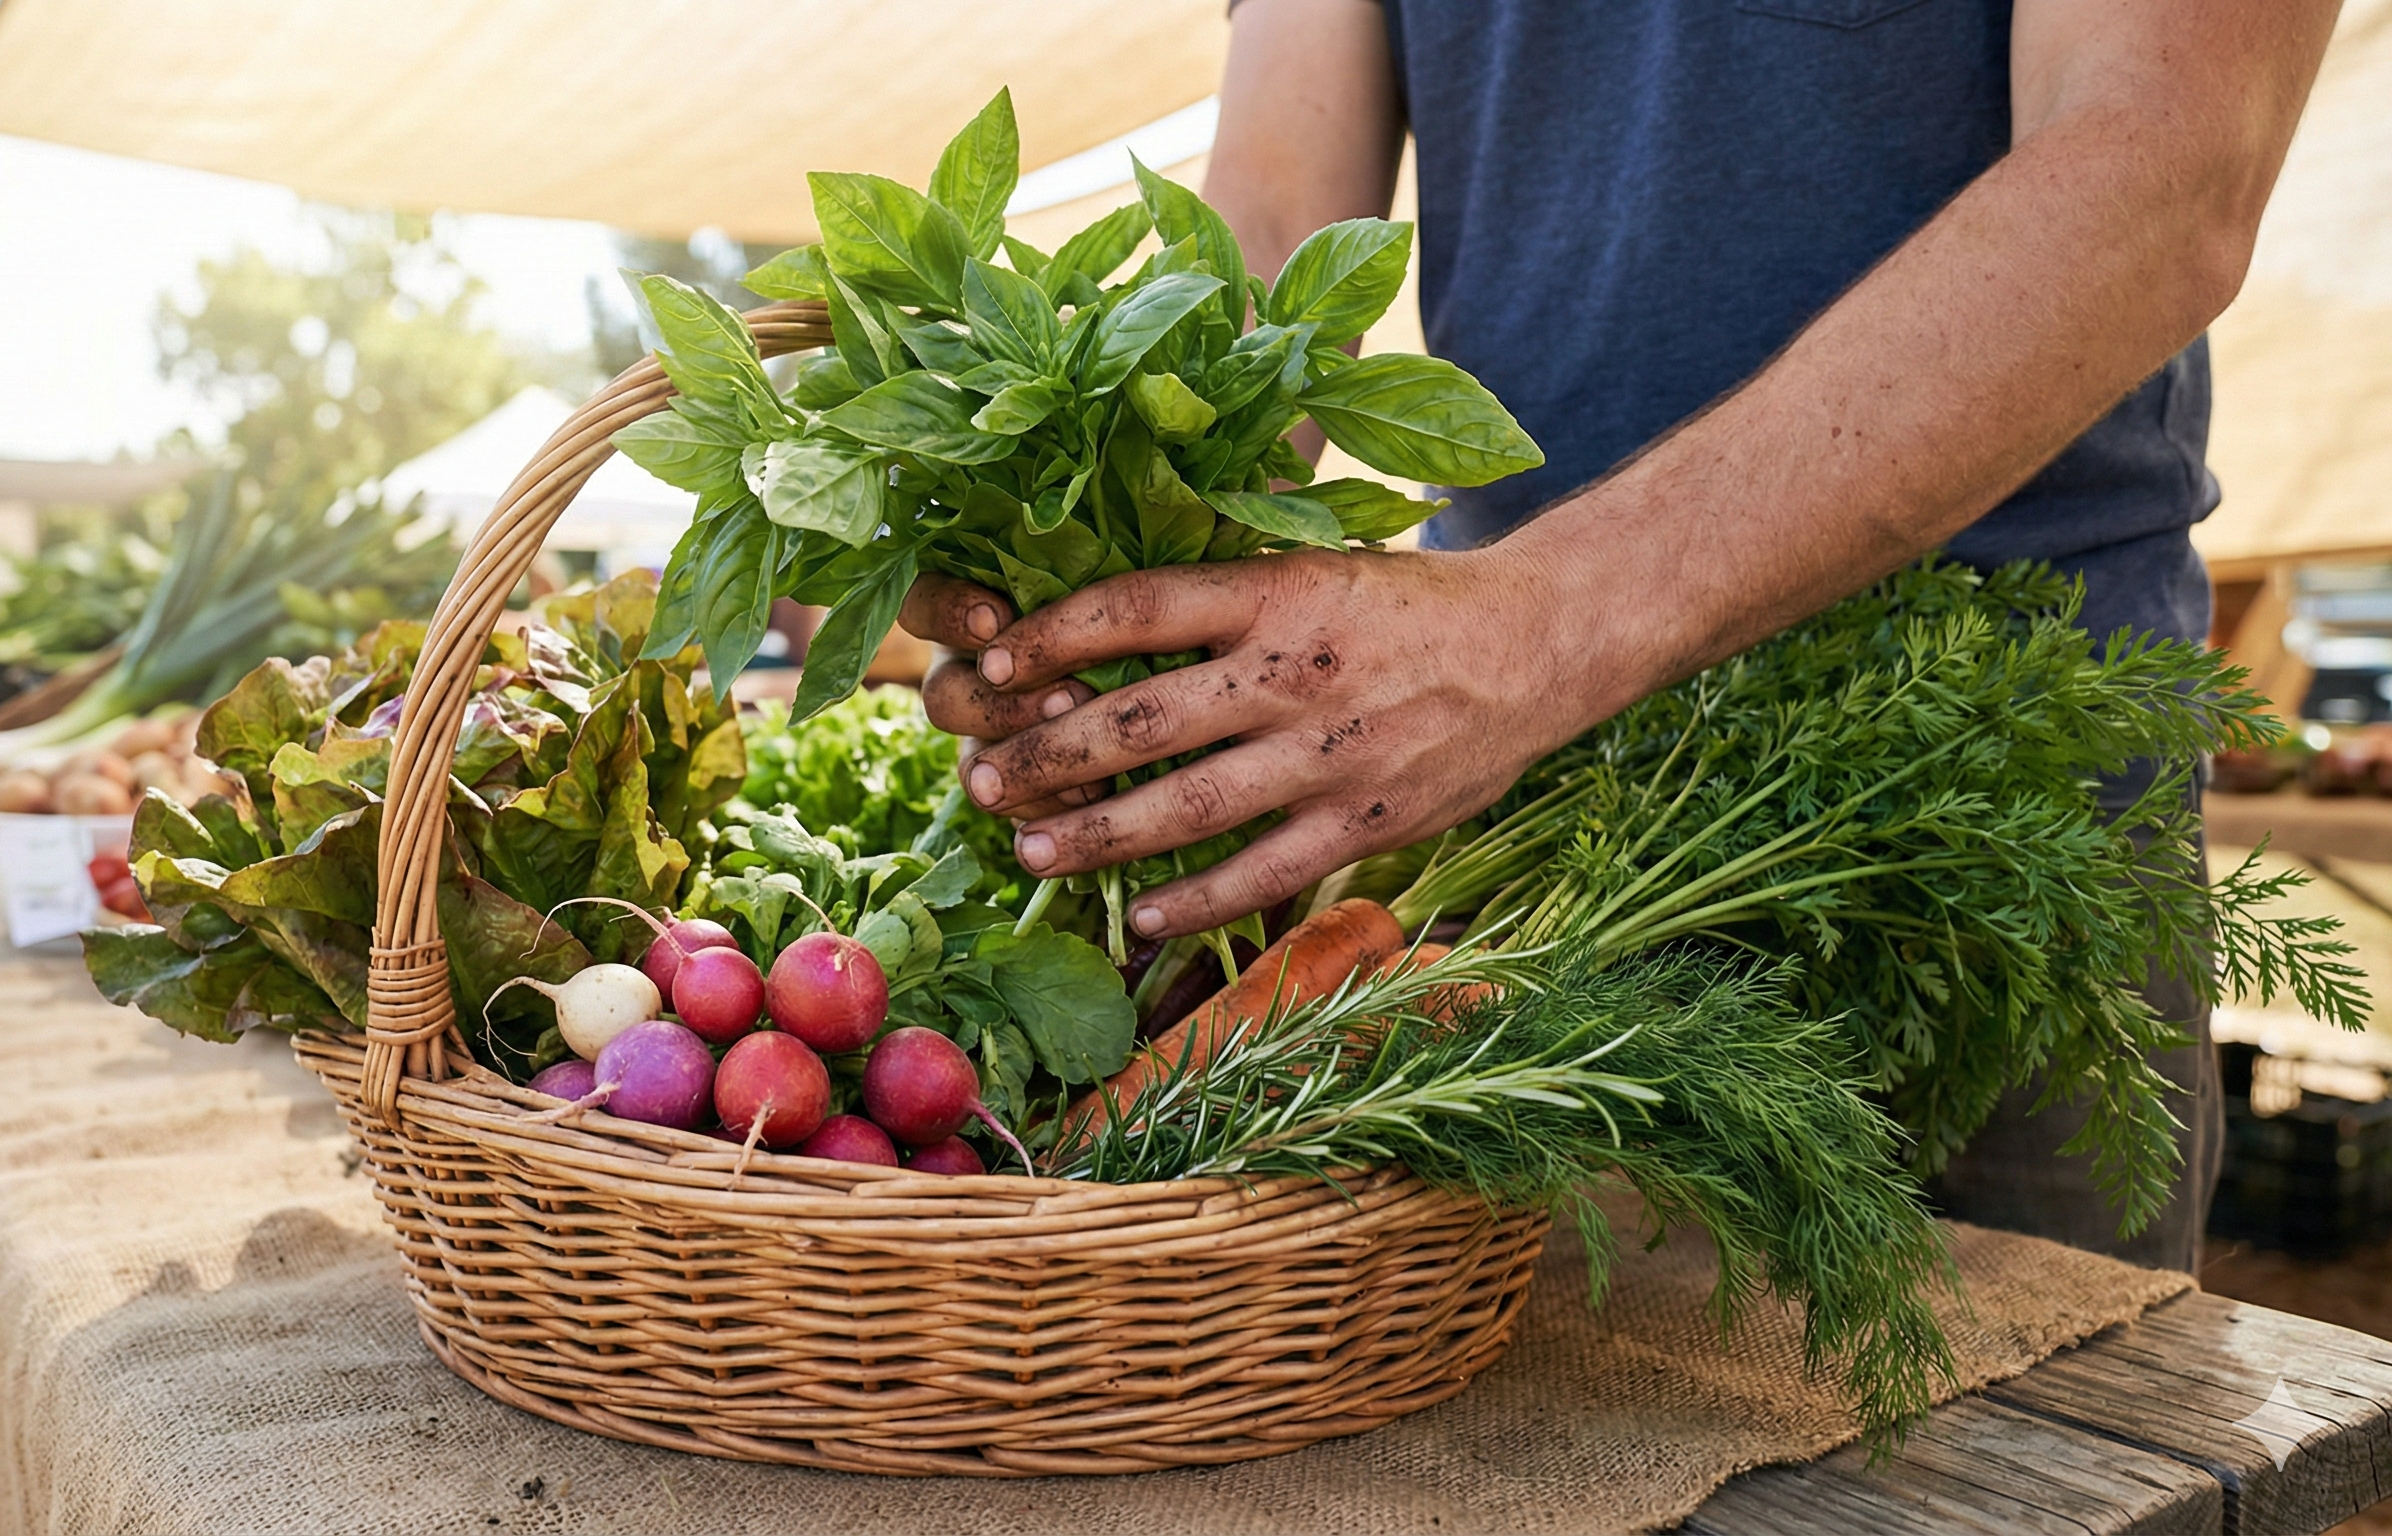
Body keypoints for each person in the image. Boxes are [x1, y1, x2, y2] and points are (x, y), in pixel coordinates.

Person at [901, 0, 2338, 1269]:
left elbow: (2164, 165)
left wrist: (1533, 629)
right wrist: (1090, 561)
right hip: (1519, 803)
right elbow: (1267, 244)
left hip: (1986, 772)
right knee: (1524, 1434)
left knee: (2028, 1446)